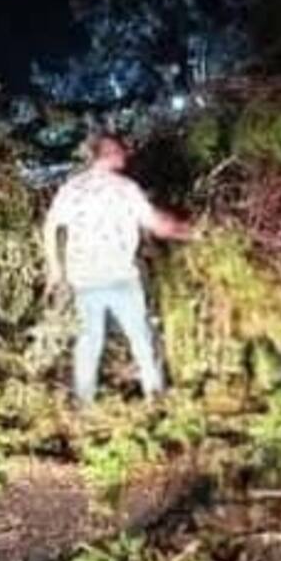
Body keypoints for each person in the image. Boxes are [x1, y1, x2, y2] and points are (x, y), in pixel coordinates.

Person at [43, 134, 191, 404]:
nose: (126, 155)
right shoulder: (125, 188)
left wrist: (55, 267)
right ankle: (155, 397)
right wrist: (190, 231)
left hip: (85, 278)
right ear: (109, 153)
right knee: (141, 338)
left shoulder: (73, 188)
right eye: (121, 151)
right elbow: (157, 225)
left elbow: (51, 226)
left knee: (90, 339)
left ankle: (83, 404)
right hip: (120, 276)